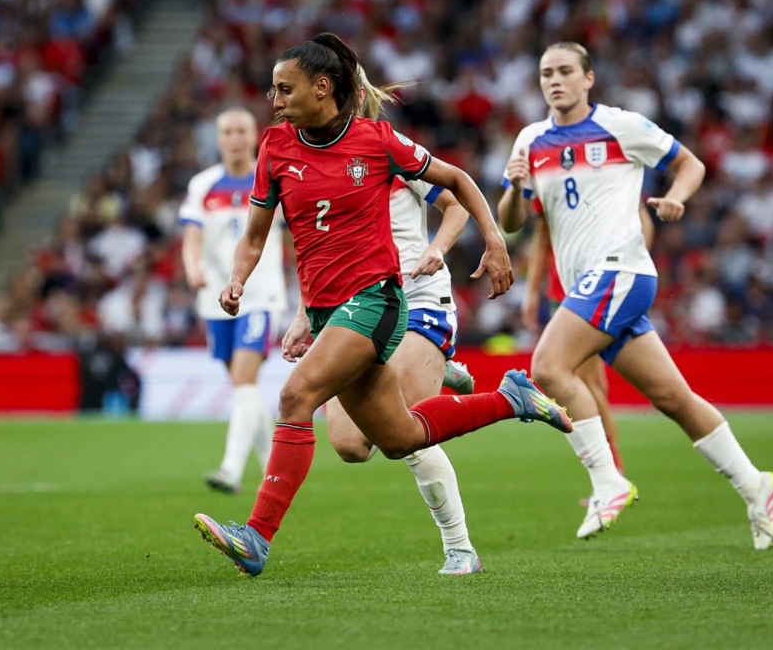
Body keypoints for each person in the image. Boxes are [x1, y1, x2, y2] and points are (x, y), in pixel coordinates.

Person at [194, 33, 572, 577]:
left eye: (284, 89)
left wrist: (493, 239)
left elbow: (457, 182)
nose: (273, 101)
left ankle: (255, 536)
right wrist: (236, 279)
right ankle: (511, 399)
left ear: (322, 88)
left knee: (296, 395)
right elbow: (255, 235)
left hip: (377, 301)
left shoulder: (377, 141)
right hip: (327, 310)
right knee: (397, 438)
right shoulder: (276, 147)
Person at [497, 41, 773, 550]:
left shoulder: (621, 125)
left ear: (589, 79)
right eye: (546, 73)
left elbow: (690, 164)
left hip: (620, 270)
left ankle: (608, 480)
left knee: (546, 367)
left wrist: (674, 199)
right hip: (593, 281)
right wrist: (514, 188)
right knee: (673, 398)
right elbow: (514, 223)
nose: (555, 80)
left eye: (565, 71)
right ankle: (754, 483)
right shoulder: (531, 139)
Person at [278, 67, 482, 575]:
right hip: (353, 308)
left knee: (410, 432)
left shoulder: (391, 149)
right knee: (350, 446)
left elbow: (455, 205)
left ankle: (460, 548)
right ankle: (445, 371)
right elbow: (318, 252)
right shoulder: (312, 161)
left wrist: (437, 248)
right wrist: (305, 313)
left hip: (416, 296)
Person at [180, 108, 285, 494]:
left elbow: (294, 235)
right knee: (245, 387)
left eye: (242, 130)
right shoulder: (203, 185)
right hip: (214, 298)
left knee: (244, 379)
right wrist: (193, 269)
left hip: (259, 295)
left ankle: (230, 469)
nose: (235, 138)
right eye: (227, 131)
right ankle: (274, 470)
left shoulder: (272, 177)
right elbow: (191, 239)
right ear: (219, 138)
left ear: (254, 136)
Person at [522, 203, 655, 492]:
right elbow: (542, 237)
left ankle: (612, 474)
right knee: (585, 380)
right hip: (563, 291)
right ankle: (610, 472)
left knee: (588, 381)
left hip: (596, 286)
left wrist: (629, 266)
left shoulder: (607, 174)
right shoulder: (551, 176)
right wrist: (533, 291)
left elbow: (644, 224)